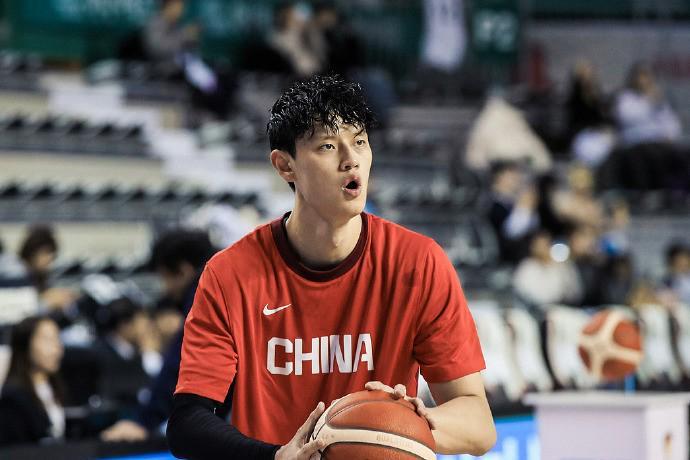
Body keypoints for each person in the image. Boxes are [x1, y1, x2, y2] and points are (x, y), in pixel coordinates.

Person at [166, 75, 496, 458]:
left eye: (360, 141)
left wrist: (405, 422)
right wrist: (274, 456)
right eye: (327, 145)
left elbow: (478, 425)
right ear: (285, 166)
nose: (350, 159)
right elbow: (187, 422)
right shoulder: (230, 274)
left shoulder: (418, 263)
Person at [100, 229, 217, 441]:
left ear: (183, 271)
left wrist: (144, 421)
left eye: (165, 278)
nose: (166, 289)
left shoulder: (205, 295)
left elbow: (182, 364)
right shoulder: (235, 281)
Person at [0, 316, 65, 446]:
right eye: (47, 340)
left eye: (57, 338)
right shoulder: (13, 399)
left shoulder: (55, 387)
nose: (56, 348)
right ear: (26, 344)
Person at [486, 161, 539, 264]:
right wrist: (524, 208)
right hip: (504, 260)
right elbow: (511, 233)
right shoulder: (491, 204)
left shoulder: (513, 203)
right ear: (499, 176)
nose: (517, 178)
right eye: (511, 174)